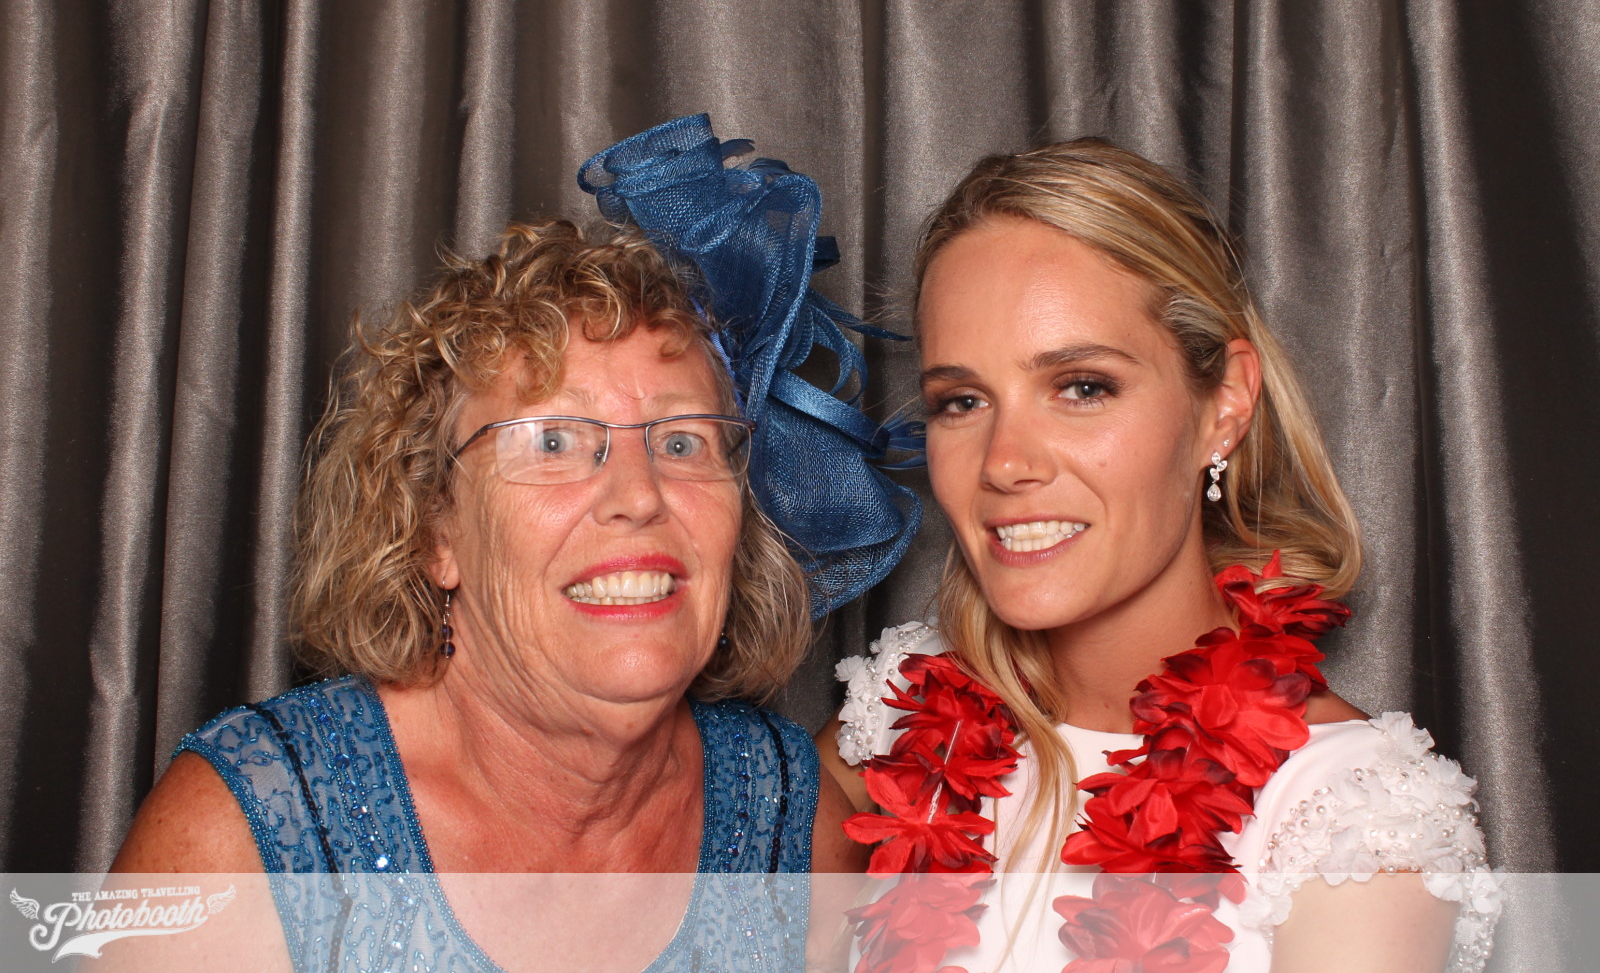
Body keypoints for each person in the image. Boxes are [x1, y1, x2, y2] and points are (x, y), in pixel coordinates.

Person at [111, 116, 919, 972]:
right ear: (434, 528)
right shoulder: (243, 839)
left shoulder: (797, 827)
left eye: (683, 441)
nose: (638, 496)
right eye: (554, 441)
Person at [820, 139, 1500, 972]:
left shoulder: (1354, 823)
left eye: (1082, 386)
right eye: (962, 401)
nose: (1004, 462)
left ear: (1225, 403)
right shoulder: (899, 718)